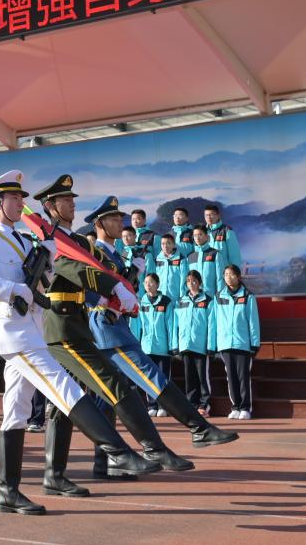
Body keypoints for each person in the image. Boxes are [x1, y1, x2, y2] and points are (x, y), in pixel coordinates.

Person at [0, 171, 167, 516]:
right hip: (13, 332)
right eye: (14, 198)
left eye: (22, 198)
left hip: (34, 328)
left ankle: (8, 492)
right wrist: (12, 290)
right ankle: (117, 452)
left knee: (16, 411)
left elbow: (45, 283)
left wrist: (48, 262)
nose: (20, 203)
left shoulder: (26, 241)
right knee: (64, 388)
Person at [79, 192, 236, 482]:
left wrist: (132, 275)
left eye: (120, 217)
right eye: (113, 219)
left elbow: (121, 287)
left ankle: (107, 462)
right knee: (149, 375)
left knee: (107, 397)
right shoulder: (93, 253)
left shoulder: (114, 254)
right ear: (99, 224)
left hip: (117, 326)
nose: (120, 222)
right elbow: (86, 287)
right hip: (107, 329)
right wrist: (106, 298)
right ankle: (198, 427)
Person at [215, 265, 261, 419]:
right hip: (225, 343)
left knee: (243, 377)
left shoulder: (248, 296)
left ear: (239, 277)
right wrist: (214, 343)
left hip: (243, 344)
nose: (228, 277)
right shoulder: (218, 296)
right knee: (231, 377)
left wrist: (254, 344)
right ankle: (235, 407)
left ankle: (245, 408)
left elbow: (253, 322)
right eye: (226, 274)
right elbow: (215, 321)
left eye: (231, 274)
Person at [176, 271, 215, 415]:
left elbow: (211, 325)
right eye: (188, 281)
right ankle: (192, 404)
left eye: (194, 281)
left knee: (203, 378)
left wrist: (210, 346)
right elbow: (176, 324)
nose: (191, 284)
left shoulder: (208, 301)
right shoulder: (181, 301)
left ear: (199, 282)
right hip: (186, 345)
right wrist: (177, 345)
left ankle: (205, 405)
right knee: (190, 378)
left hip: (201, 346)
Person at [137, 272, 176, 416]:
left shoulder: (166, 301)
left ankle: (164, 406)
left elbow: (171, 326)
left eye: (151, 282)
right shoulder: (141, 302)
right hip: (146, 347)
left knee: (163, 378)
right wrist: (136, 344)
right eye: (146, 282)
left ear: (158, 284)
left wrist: (172, 345)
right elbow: (137, 326)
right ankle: (152, 405)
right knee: (149, 378)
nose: (148, 285)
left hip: (163, 348)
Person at [204, 204, 243, 273]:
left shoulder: (227, 231)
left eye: (212, 215)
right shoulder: (203, 232)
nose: (209, 217)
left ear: (218, 215)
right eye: (206, 215)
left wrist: (235, 272)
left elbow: (234, 254)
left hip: (224, 272)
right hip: (207, 272)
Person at [187, 225, 223, 296]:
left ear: (207, 236)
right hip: (195, 297)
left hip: (211, 296)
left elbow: (220, 279)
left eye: (200, 235)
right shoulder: (190, 257)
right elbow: (188, 280)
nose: (197, 238)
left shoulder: (215, 254)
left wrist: (220, 297)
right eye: (195, 235)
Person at [154, 233, 187, 301]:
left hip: (175, 296)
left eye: (168, 243)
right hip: (160, 295)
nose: (165, 246)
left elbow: (184, 278)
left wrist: (182, 295)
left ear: (174, 244)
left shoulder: (180, 259)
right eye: (163, 244)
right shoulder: (157, 259)